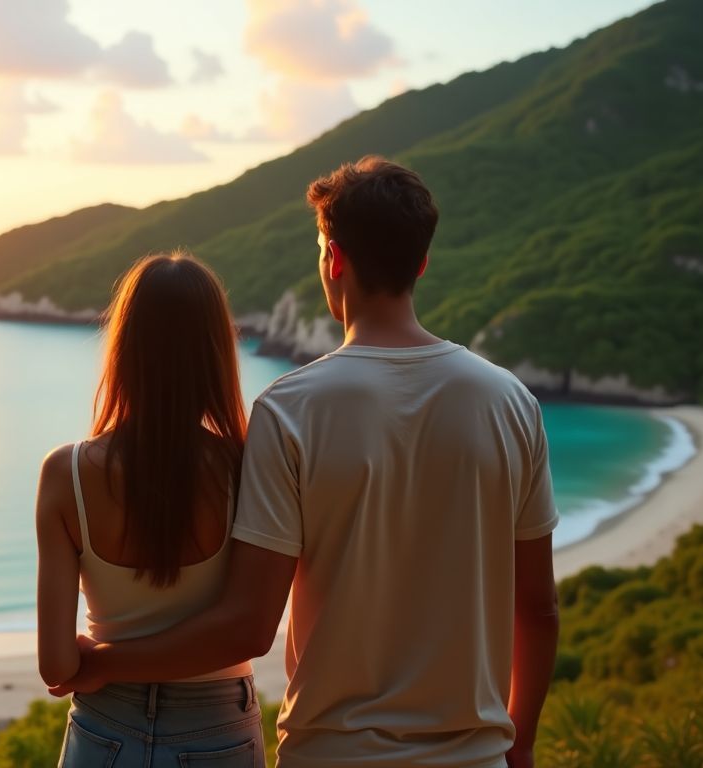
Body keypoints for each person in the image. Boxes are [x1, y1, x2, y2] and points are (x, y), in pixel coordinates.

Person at [50, 156, 561, 768]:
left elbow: (248, 626)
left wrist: (103, 661)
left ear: (333, 259)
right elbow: (536, 607)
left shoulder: (290, 410)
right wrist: (521, 739)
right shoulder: (511, 403)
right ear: (421, 263)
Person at [36, 251, 266, 767]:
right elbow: (254, 627)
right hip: (218, 725)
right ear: (215, 351)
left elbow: (56, 665)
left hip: (103, 726)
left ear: (124, 347)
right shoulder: (247, 467)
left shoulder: (65, 474)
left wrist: (100, 660)